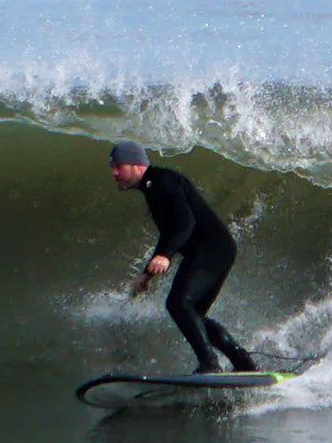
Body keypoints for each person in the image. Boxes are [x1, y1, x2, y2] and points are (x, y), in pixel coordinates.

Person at [108, 139, 257, 374]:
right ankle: (244, 363)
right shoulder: (153, 186)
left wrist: (165, 256)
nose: (114, 173)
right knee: (193, 315)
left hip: (211, 248)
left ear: (137, 165)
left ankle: (210, 364)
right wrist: (147, 274)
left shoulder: (161, 181)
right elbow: (170, 234)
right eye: (112, 168)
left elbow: (185, 222)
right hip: (216, 249)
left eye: (118, 166)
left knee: (178, 303)